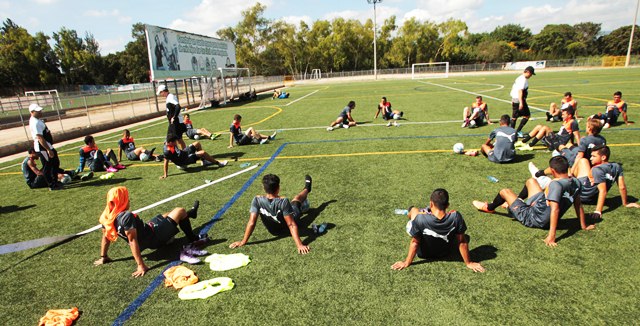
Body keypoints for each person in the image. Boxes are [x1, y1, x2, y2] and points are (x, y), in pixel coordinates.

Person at [473, 156, 595, 247]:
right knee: (531, 181)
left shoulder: (555, 185)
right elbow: (578, 204)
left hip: (534, 218)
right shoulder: (576, 182)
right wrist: (583, 226)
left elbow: (555, 209)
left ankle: (489, 207)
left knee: (504, 192)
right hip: (539, 207)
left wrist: (551, 236)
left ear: (553, 171)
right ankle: (517, 202)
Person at [93, 186, 208, 277]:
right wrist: (140, 265)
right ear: (121, 200)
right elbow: (132, 240)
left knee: (166, 215)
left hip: (147, 231)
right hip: (154, 237)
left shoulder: (107, 215)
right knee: (180, 211)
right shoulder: (126, 216)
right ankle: (192, 237)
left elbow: (106, 236)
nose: (129, 199)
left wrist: (104, 256)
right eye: (126, 197)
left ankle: (190, 214)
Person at [391, 188, 484, 272]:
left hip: (424, 254)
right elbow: (462, 242)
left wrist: (406, 262)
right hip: (445, 252)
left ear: (431, 203)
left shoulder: (420, 218)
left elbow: (415, 243)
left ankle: (412, 211)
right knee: (465, 236)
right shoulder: (456, 217)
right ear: (447, 205)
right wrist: (469, 263)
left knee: (414, 210)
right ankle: (426, 211)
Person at [229, 174, 313, 255]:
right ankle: (307, 188)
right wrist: (299, 245)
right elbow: (291, 224)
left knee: (292, 204)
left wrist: (243, 241)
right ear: (278, 188)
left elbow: (251, 222)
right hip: (287, 226)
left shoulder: (257, 200)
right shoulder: (283, 201)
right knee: (296, 200)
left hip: (274, 231)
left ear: (263, 187)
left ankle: (304, 195)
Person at [571, 145, 640, 219]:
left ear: (603, 157)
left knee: (582, 161)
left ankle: (569, 173)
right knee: (583, 161)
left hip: (582, 196)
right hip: (593, 196)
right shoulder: (617, 167)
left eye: (594, 156)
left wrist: (598, 211)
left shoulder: (597, 170)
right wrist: (625, 203)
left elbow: (603, 191)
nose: (591, 158)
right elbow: (622, 187)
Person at [529, 119, 605, 180]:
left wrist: (572, 170)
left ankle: (540, 173)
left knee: (560, 148)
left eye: (587, 126)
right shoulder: (602, 140)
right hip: (590, 159)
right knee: (569, 145)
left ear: (590, 128)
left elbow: (579, 156)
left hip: (576, 159)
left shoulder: (585, 140)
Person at [28, 103, 64, 190]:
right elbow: (40, 137)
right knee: (47, 166)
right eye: (38, 111)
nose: (40, 112)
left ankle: (55, 181)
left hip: (47, 146)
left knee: (55, 163)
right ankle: (51, 184)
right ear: (32, 112)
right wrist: (48, 149)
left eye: (40, 110)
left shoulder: (37, 120)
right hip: (43, 148)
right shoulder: (35, 122)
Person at [161, 134, 227, 179]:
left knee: (197, 143)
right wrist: (165, 174)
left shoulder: (167, 141)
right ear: (170, 143)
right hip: (184, 160)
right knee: (202, 153)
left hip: (183, 153)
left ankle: (204, 161)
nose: (176, 143)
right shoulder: (167, 151)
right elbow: (165, 162)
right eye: (175, 142)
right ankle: (218, 163)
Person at [157, 84, 187, 149]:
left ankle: (177, 154)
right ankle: (184, 153)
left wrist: (174, 117)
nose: (160, 95)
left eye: (160, 93)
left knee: (170, 140)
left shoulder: (170, 97)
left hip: (176, 123)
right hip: (176, 122)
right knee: (178, 139)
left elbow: (178, 106)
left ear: (163, 91)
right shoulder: (169, 97)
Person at [509, 66, 535, 137]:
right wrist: (521, 102)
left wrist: (512, 99)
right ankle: (517, 131)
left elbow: (514, 89)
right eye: (531, 74)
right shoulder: (523, 80)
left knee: (514, 116)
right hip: (519, 99)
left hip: (515, 99)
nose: (531, 76)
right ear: (528, 72)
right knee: (527, 115)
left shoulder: (519, 78)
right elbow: (520, 91)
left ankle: (511, 132)